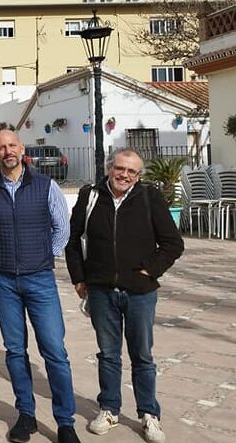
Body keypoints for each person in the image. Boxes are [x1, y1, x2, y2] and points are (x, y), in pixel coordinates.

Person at [65, 150, 183, 443]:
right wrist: (80, 278)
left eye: (132, 172)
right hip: (102, 289)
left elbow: (172, 243)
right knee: (107, 353)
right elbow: (72, 241)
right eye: (120, 169)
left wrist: (149, 272)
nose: (125, 175)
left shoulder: (148, 197)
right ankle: (109, 408)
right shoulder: (91, 196)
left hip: (140, 293)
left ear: (138, 175)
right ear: (110, 169)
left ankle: (148, 414)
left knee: (142, 355)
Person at [0, 130, 79, 443]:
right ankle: (26, 414)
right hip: (2, 279)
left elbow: (63, 228)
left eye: (12, 145)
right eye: (1, 147)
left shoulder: (46, 186)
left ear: (21, 149)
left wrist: (45, 255)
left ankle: (65, 422)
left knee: (55, 351)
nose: (7, 151)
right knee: (15, 351)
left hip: (40, 279)